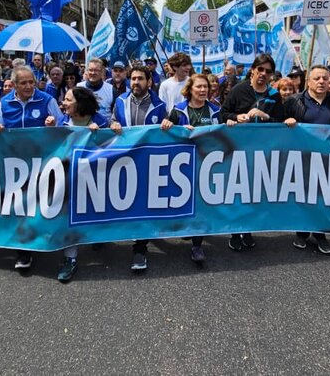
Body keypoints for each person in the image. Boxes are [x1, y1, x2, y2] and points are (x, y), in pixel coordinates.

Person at [0, 66, 61, 267]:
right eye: (24, 83)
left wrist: (53, 123)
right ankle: (24, 250)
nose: (29, 86)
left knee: (40, 203)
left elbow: (64, 125)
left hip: (42, 161)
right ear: (14, 85)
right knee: (20, 205)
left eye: (31, 81)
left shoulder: (47, 100)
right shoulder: (5, 103)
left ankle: (44, 238)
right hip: (15, 163)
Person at [220, 53, 286, 251]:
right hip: (239, 149)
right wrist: (236, 117)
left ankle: (248, 230)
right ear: (253, 70)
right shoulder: (239, 90)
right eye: (260, 70)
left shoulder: (274, 95)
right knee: (238, 191)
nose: (263, 74)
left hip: (263, 151)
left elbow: (281, 124)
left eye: (268, 71)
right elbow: (223, 114)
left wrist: (266, 116)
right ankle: (235, 232)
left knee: (255, 193)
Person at [283, 64, 330, 254]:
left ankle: (320, 234)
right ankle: (302, 233)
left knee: (324, 197)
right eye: (317, 78)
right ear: (308, 81)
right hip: (301, 157)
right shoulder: (294, 101)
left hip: (328, 158)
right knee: (303, 195)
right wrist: (286, 123)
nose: (321, 82)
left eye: (325, 79)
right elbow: (277, 126)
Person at [110, 65, 168, 271]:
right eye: (133, 78)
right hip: (124, 160)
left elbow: (167, 129)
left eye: (140, 79)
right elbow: (113, 120)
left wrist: (169, 125)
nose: (135, 82)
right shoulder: (120, 101)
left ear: (149, 81)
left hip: (148, 163)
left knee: (144, 203)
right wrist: (113, 124)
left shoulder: (160, 105)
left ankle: (140, 249)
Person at [160, 73, 220, 265]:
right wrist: (169, 125)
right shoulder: (178, 111)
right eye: (199, 87)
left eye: (205, 87)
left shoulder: (215, 111)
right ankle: (181, 227)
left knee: (200, 204)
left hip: (206, 164)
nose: (203, 90)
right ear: (190, 90)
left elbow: (223, 133)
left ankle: (197, 244)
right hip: (182, 166)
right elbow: (165, 131)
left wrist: (231, 122)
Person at [47, 86, 106, 282]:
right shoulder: (62, 121)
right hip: (68, 178)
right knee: (70, 215)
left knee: (95, 211)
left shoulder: (100, 121)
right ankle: (70, 259)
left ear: (80, 103)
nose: (63, 103)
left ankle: (97, 237)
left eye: (68, 100)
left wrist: (107, 131)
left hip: (96, 178)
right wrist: (49, 130)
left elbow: (116, 145)